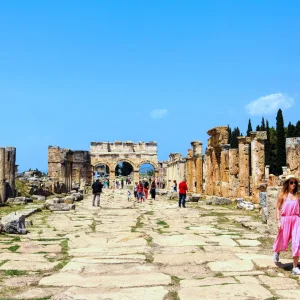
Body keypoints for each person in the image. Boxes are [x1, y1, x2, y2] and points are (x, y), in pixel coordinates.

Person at [273, 174, 300, 275]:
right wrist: (278, 221)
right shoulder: (282, 195)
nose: (293, 184)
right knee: (282, 239)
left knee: (297, 242)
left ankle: (295, 267)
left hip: (296, 220)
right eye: (291, 182)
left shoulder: (298, 195)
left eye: (295, 183)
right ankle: (277, 252)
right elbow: (277, 208)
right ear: (287, 184)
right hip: (285, 220)